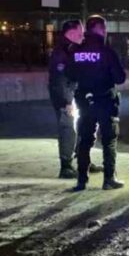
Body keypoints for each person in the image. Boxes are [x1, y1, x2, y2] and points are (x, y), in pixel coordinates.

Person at [65, 15, 126, 191]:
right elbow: (120, 78)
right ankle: (109, 179)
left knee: (85, 139)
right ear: (100, 29)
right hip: (106, 100)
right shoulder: (107, 51)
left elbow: (69, 74)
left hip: (84, 101)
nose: (106, 32)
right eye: (104, 28)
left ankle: (82, 180)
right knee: (109, 140)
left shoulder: (76, 51)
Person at [48, 20, 83, 178]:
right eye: (80, 33)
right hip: (65, 95)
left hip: (72, 93)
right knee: (68, 128)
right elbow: (60, 79)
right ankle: (66, 166)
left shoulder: (71, 49)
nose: (82, 36)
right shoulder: (62, 51)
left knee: (79, 127)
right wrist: (67, 101)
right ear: (71, 32)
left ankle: (82, 160)